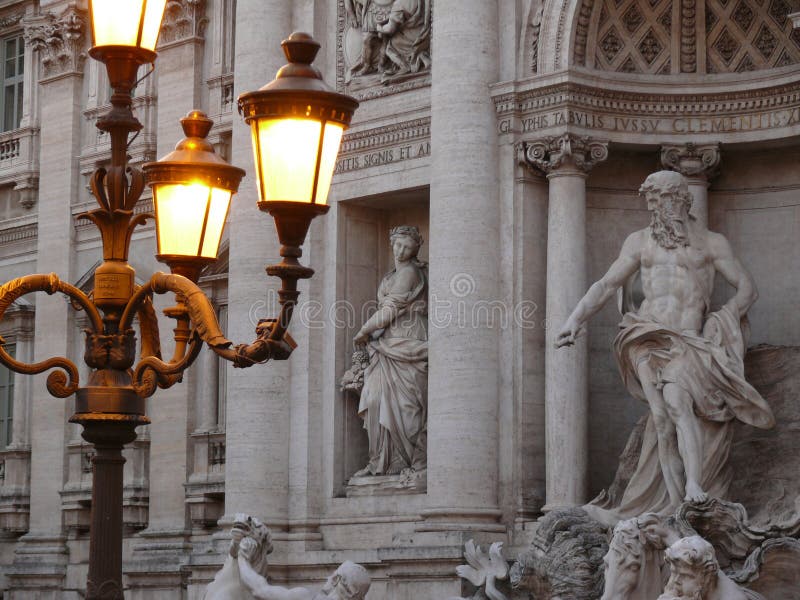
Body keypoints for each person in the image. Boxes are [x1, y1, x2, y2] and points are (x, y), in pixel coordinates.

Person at [556, 170, 774, 525]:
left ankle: (692, 484)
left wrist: (721, 321)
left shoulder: (711, 243)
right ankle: (675, 505)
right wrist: (574, 320)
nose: (655, 209)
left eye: (662, 201)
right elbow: (607, 284)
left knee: (677, 404)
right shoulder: (639, 242)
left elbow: (747, 289)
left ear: (682, 199)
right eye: (652, 203)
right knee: (660, 418)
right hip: (643, 335)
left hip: (686, 339)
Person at [351, 225, 428, 477]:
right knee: (374, 399)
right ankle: (379, 461)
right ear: (391, 244)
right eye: (398, 245)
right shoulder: (388, 277)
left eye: (408, 246)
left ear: (416, 249)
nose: (402, 250)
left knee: (407, 407)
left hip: (408, 339)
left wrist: (363, 330)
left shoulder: (410, 273)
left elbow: (390, 310)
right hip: (385, 344)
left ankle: (403, 461)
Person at [237, 535, 370, 600]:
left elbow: (259, 589)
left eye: (333, 574)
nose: (328, 577)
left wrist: (242, 558)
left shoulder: (305, 596)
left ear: (336, 579)